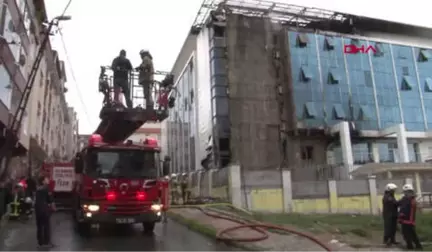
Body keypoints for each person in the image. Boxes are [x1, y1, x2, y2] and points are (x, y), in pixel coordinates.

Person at [398, 184, 422, 250]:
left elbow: (405, 209)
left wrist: (401, 215)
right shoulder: (409, 199)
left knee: (407, 235)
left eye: (407, 192)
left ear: (410, 192)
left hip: (408, 221)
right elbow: (399, 203)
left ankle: (410, 247)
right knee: (413, 234)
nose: (406, 193)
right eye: (405, 192)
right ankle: (418, 246)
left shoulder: (410, 200)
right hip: (409, 221)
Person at [34, 175, 55, 247]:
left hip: (37, 209)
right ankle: (47, 241)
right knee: (46, 225)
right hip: (44, 209)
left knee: (39, 225)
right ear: (43, 181)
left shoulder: (38, 188)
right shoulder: (46, 188)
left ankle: (40, 241)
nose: (48, 180)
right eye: (46, 179)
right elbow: (50, 199)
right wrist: (53, 207)